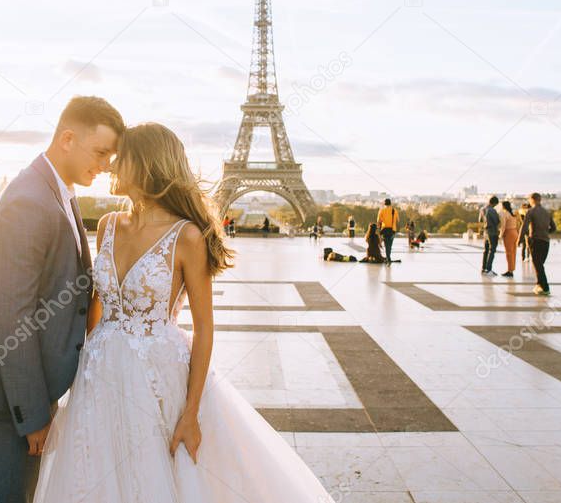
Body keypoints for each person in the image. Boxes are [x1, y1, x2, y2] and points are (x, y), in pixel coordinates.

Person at [31, 123, 335, 502]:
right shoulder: (107, 225)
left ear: (144, 164)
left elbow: (205, 329)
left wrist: (191, 413)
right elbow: (96, 306)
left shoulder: (188, 237)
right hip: (99, 373)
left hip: (158, 378)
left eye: (119, 158)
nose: (110, 165)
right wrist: (76, 381)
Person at [0, 96, 124, 503]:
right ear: (68, 138)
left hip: (30, 380)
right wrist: (32, 413)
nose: (106, 164)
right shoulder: (27, 200)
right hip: (14, 388)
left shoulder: (57, 190)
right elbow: (12, 318)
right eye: (101, 152)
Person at [518, 192, 556, 296]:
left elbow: (524, 226)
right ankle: (539, 285)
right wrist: (545, 232)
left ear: (532, 200)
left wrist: (519, 240)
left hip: (535, 241)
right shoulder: (547, 212)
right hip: (545, 242)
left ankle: (545, 287)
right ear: (540, 200)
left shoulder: (530, 211)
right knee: (539, 265)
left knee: (538, 265)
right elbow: (553, 228)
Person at [478, 195, 501, 276]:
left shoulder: (482, 209)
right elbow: (497, 221)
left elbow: (480, 220)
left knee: (486, 250)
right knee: (492, 250)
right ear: (494, 203)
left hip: (486, 232)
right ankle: (489, 269)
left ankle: (484, 268)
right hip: (493, 231)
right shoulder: (492, 210)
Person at [498, 200, 518, 277]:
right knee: (513, 252)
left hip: (509, 233)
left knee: (509, 253)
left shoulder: (504, 213)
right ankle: (512, 269)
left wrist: (500, 235)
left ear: (503, 206)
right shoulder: (512, 214)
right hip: (515, 232)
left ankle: (510, 270)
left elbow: (503, 226)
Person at [376, 198, 398, 264]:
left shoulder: (382, 210)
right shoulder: (394, 210)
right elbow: (397, 220)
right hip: (392, 230)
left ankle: (388, 258)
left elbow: (378, 221)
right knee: (390, 245)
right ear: (390, 203)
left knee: (386, 244)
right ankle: (388, 258)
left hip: (385, 229)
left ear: (384, 204)